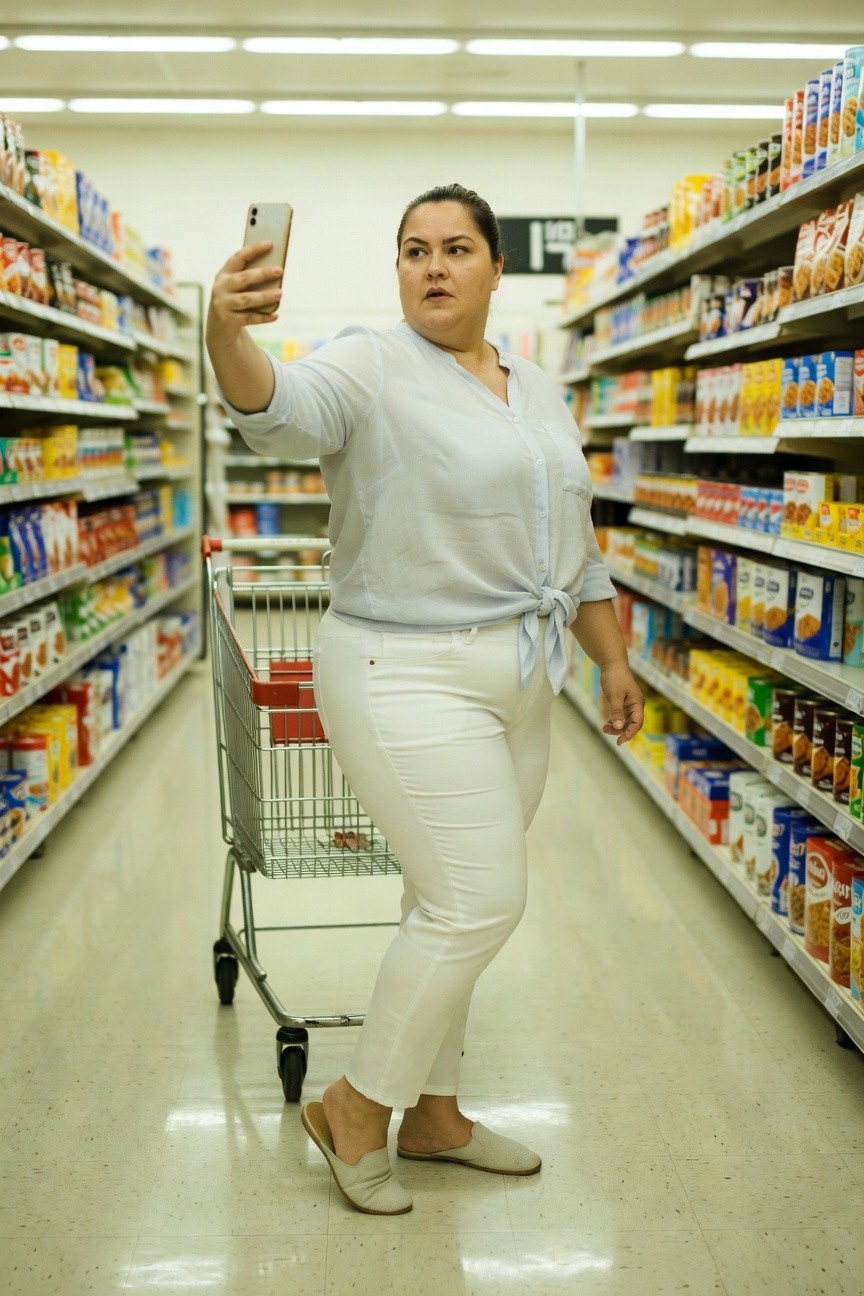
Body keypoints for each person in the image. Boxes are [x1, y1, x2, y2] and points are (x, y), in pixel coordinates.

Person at [206, 183, 644, 1217]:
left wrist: (612, 658)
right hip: (403, 670)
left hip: (524, 679)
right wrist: (224, 327)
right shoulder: (370, 361)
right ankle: (354, 1108)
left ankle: (436, 1114)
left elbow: (571, 546)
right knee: (477, 899)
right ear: (397, 271)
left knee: (438, 901)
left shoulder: (535, 389)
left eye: (455, 249)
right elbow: (276, 409)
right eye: (414, 250)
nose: (434, 266)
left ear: (496, 268)